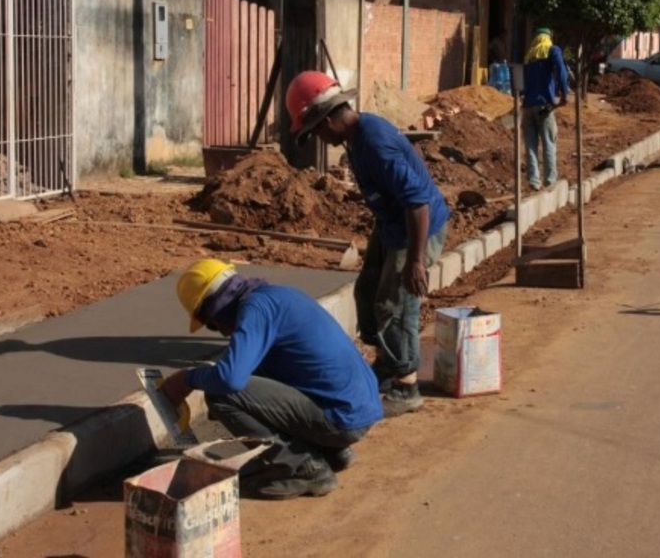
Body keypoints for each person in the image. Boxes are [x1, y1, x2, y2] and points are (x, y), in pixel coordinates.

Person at [285, 70, 449, 417]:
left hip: (416, 228)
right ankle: (389, 364)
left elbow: (417, 204)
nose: (316, 137)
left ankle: (406, 386)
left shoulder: (374, 144)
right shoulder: (355, 138)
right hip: (393, 224)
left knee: (395, 302)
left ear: (329, 119)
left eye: (314, 130)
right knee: (368, 291)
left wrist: (415, 262)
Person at [160, 259, 383, 500]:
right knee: (254, 372)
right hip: (359, 410)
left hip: (341, 419)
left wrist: (186, 379)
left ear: (215, 307)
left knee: (221, 395)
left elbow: (230, 380)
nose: (223, 332)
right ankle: (330, 452)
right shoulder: (276, 296)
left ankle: (305, 469)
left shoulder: (256, 310)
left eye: (212, 324)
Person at [520, 28, 569, 191]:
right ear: (548, 38)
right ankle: (550, 179)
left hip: (527, 107)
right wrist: (564, 93)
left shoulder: (529, 55)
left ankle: (534, 180)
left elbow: (521, 83)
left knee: (531, 145)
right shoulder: (552, 50)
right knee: (548, 142)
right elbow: (561, 70)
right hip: (545, 106)